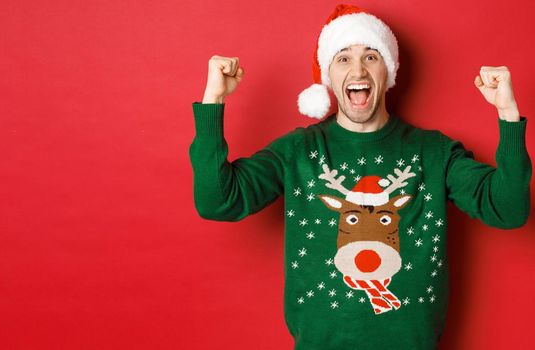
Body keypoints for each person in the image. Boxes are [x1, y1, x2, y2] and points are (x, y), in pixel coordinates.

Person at [188, 4, 531, 349]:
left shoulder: (434, 152)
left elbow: (508, 210)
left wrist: (508, 113)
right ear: (328, 76)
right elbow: (218, 201)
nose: (358, 70)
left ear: (389, 70)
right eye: (343, 58)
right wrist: (213, 99)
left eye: (371, 57)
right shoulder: (298, 151)